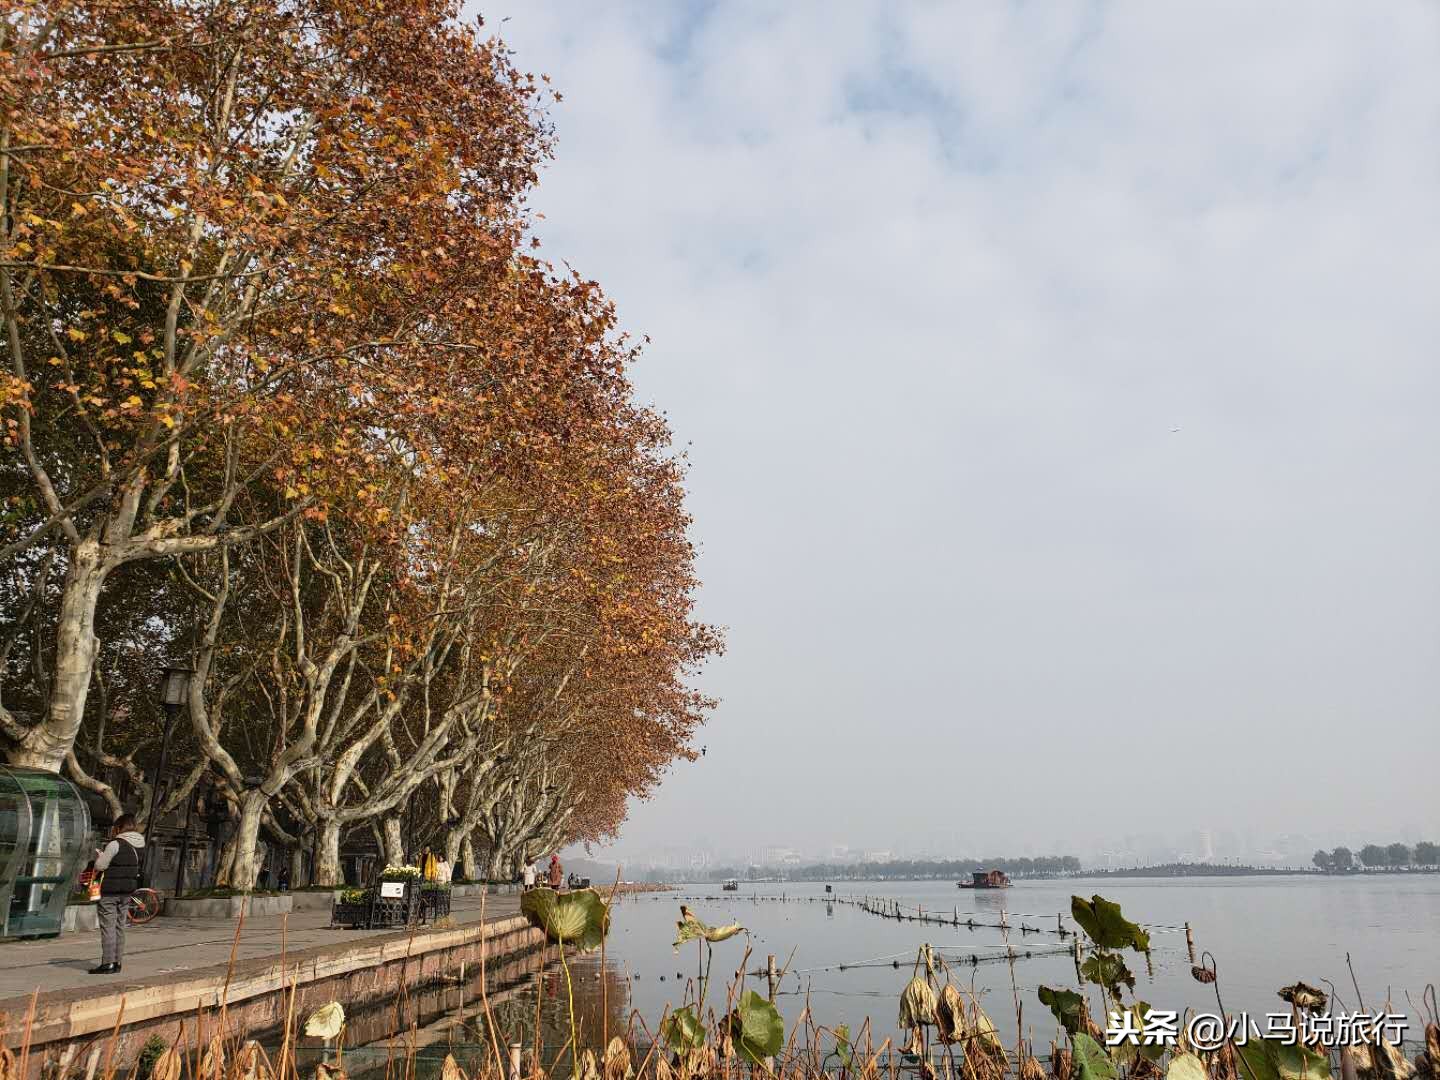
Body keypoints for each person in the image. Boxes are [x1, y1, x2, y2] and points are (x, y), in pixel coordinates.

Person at [91, 814, 144, 974]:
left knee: (108, 927)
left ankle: (107, 963)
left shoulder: (115, 844)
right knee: (120, 926)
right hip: (127, 892)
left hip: (110, 892)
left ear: (119, 827)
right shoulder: (140, 845)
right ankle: (117, 962)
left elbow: (100, 866)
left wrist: (100, 857)